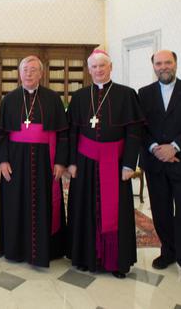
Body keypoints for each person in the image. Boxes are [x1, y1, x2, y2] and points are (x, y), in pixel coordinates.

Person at [66, 49, 144, 278]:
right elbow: (72, 132)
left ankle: (116, 262)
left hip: (115, 163)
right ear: (88, 70)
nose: (98, 70)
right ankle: (83, 256)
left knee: (116, 211)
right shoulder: (80, 96)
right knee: (83, 208)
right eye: (94, 67)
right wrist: (71, 162)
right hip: (85, 161)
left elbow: (134, 132)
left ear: (111, 67)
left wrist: (129, 164)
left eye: (102, 66)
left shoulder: (126, 95)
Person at [138, 50, 181, 287]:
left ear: (176, 64)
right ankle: (168, 251)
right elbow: (141, 127)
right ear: (153, 67)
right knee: (161, 210)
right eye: (159, 63)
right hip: (156, 162)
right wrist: (156, 147)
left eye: (168, 62)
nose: (163, 67)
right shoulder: (144, 93)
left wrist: (175, 147)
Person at [0, 55, 69, 268]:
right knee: (15, 204)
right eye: (25, 69)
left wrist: (60, 162)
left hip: (45, 160)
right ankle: (15, 249)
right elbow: (0, 134)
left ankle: (47, 249)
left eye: (33, 69)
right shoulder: (9, 99)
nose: (28, 73)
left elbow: (63, 134)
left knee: (43, 203)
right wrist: (2, 161)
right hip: (16, 162)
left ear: (41, 73)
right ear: (19, 74)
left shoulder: (53, 98)